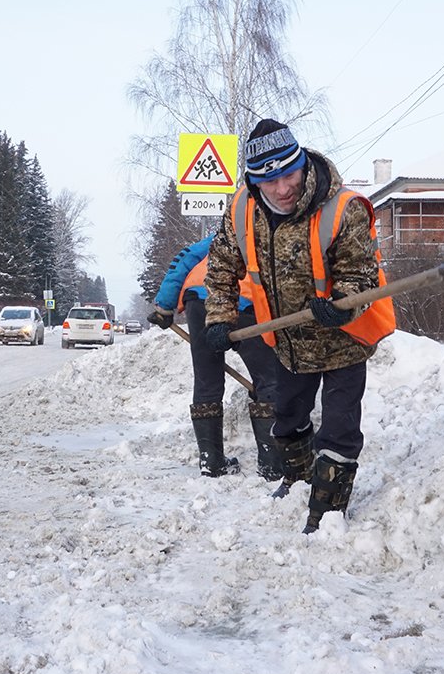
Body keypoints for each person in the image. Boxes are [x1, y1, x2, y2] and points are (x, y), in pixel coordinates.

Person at [203, 118, 396, 532]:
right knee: (288, 418)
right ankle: (297, 479)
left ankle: (325, 513)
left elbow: (360, 272)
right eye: (269, 182)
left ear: (303, 163)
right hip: (289, 342)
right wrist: (220, 317)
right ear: (255, 182)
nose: (283, 188)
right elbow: (220, 267)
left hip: (345, 338)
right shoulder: (241, 210)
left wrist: (341, 305)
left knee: (341, 426)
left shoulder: (342, 209)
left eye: (289, 174)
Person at [147, 234, 281, 480]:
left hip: (198, 298)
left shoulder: (221, 235)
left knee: (207, 378)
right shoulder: (270, 231)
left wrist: (164, 305)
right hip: (246, 298)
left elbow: (184, 259)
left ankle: (212, 461)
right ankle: (272, 464)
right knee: (269, 378)